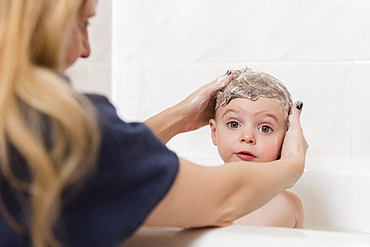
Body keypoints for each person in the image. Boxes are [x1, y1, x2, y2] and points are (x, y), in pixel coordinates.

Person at [0, 1, 308, 247]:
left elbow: (102, 165)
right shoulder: (61, 124)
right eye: (83, 23)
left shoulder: (23, 120)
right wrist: (293, 163)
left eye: (265, 128)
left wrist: (178, 118)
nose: (87, 49)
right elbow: (224, 200)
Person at [209, 68, 304, 228]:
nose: (247, 137)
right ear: (214, 132)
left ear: (286, 140)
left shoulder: (288, 206)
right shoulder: (197, 194)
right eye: (234, 124)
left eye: (265, 128)